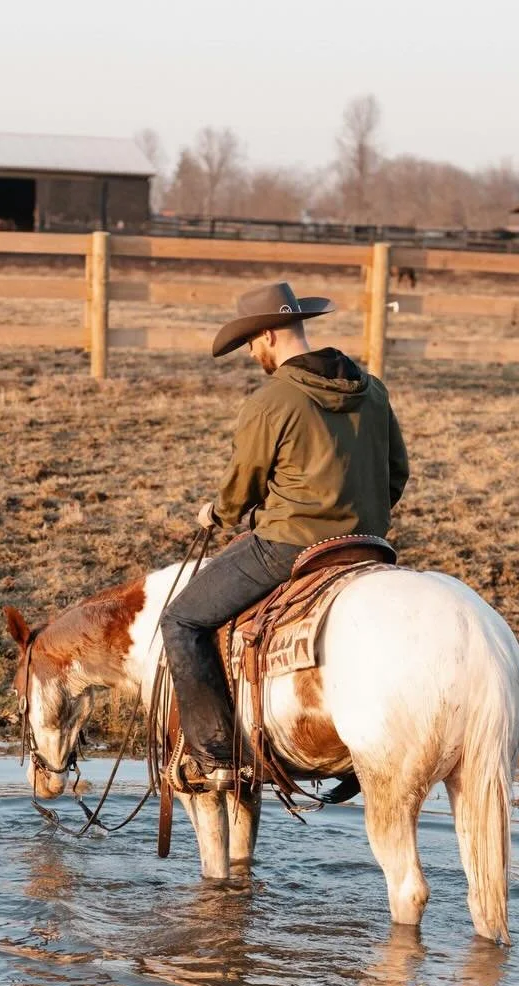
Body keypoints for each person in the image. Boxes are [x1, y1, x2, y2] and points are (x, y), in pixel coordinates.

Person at [160, 281, 410, 793]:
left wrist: (217, 512)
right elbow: (396, 475)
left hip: (289, 544)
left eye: (252, 342)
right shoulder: (373, 388)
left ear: (270, 334)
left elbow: (241, 489)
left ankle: (215, 756)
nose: (252, 353)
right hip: (369, 546)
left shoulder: (272, 400)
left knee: (182, 619)